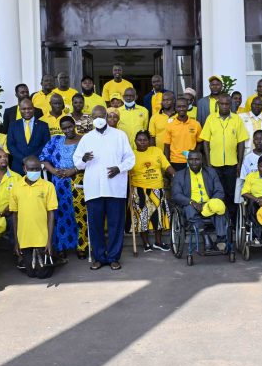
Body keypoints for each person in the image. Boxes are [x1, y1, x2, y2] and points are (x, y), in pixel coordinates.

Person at [74, 105, 135, 270]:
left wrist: (119, 168)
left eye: (101, 115)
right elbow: (77, 162)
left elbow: (130, 159)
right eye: (95, 116)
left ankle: (114, 257)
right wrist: (84, 159)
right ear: (91, 119)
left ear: (107, 116)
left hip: (115, 188)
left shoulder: (119, 136)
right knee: (95, 225)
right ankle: (99, 257)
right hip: (94, 189)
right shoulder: (86, 138)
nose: (98, 118)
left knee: (116, 225)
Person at [40, 116, 86, 259]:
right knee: (60, 215)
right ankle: (61, 246)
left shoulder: (84, 140)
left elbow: (90, 160)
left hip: (79, 182)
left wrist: (73, 170)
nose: (67, 130)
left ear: (74, 125)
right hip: (59, 184)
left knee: (80, 214)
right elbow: (43, 158)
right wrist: (53, 171)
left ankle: (82, 246)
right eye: (64, 128)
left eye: (70, 127)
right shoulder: (56, 140)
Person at [11, 156, 58, 279]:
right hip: (25, 237)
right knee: (31, 274)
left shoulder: (48, 186)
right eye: (31, 169)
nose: (35, 172)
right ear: (24, 169)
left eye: (37, 169)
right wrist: (16, 241)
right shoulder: (16, 187)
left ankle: (53, 258)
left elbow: (51, 213)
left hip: (42, 236)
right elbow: (14, 215)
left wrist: (49, 241)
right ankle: (29, 262)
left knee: (43, 274)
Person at [171, 150, 229, 251]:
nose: (194, 162)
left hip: (208, 204)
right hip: (192, 205)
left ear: (202, 160)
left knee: (219, 208)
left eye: (197, 159)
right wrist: (192, 202)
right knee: (189, 209)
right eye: (191, 160)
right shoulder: (180, 175)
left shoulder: (211, 172)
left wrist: (210, 203)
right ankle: (205, 236)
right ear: (187, 161)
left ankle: (221, 240)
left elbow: (219, 191)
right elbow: (176, 194)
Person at [199, 93, 250, 205]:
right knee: (216, 192)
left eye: (227, 104)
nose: (225, 106)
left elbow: (241, 142)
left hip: (231, 164)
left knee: (231, 193)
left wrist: (239, 164)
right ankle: (219, 217)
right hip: (214, 164)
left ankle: (231, 220)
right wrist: (208, 163)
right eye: (222, 104)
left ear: (230, 104)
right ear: (218, 104)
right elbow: (205, 142)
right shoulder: (211, 118)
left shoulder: (237, 119)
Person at [129, 131, 174, 251]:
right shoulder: (131, 154)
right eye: (140, 140)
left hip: (157, 188)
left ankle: (158, 242)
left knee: (158, 216)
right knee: (143, 217)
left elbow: (166, 165)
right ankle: (146, 243)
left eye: (145, 140)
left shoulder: (156, 151)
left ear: (149, 141)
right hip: (139, 189)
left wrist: (174, 174)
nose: (142, 142)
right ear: (135, 141)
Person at [6, 98, 51, 174]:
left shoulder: (43, 125)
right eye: (24, 109)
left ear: (33, 109)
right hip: (18, 166)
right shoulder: (13, 125)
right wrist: (23, 159)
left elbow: (46, 144)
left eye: (29, 108)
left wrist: (32, 158)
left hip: (36, 166)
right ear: (19, 110)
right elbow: (10, 145)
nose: (27, 111)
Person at [159, 95, 201, 172]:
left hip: (191, 161)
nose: (181, 109)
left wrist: (194, 155)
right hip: (175, 161)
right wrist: (168, 163)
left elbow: (199, 142)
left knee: (190, 183)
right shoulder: (170, 125)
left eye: (184, 106)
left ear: (187, 107)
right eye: (179, 106)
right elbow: (167, 146)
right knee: (178, 183)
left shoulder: (196, 124)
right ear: (175, 108)